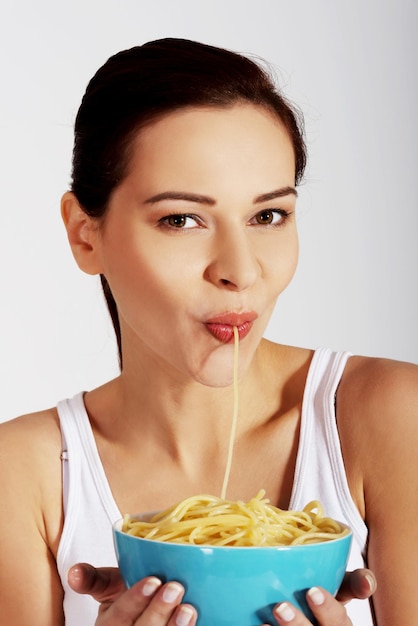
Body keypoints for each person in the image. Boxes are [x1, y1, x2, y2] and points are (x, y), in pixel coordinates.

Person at [0, 38, 416, 626]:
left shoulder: (390, 415)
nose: (240, 270)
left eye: (268, 215)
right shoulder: (22, 474)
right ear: (84, 234)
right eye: (182, 219)